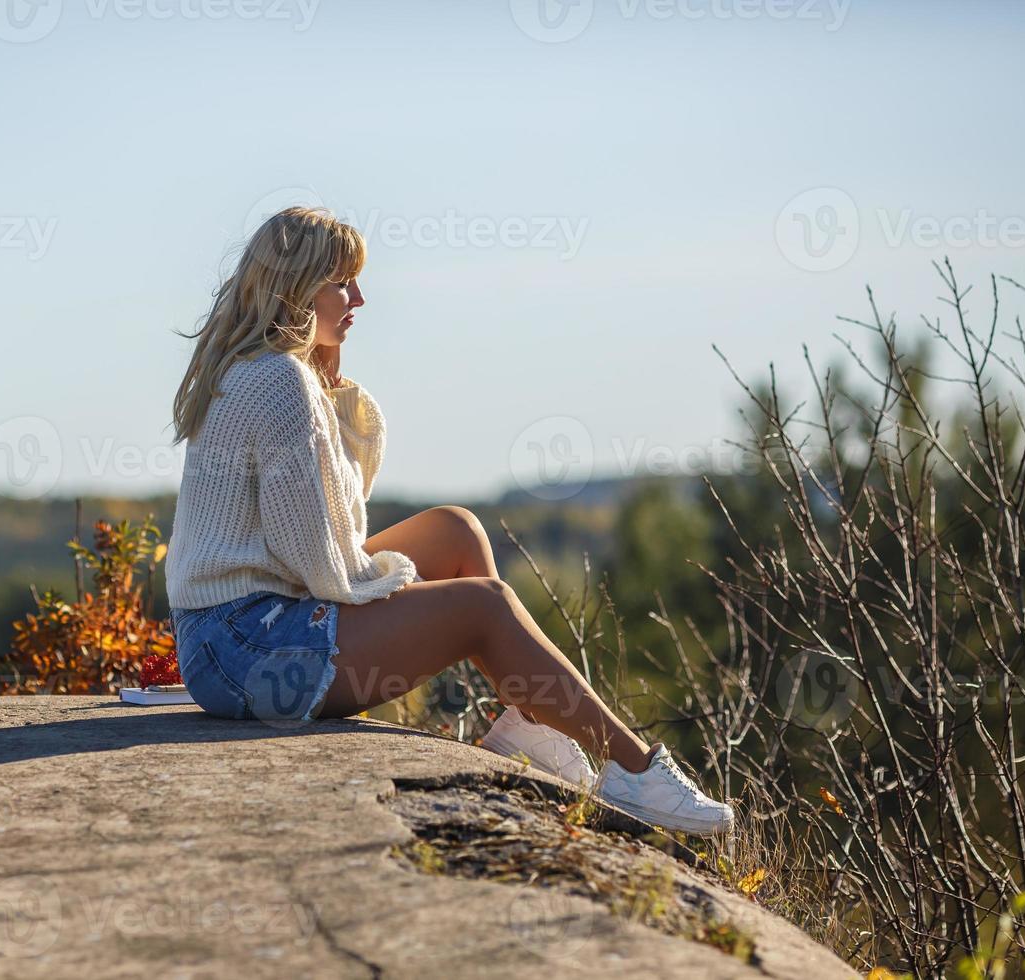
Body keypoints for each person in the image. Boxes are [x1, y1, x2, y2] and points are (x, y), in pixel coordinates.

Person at [165, 206, 732, 836]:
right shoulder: (276, 380)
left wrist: (327, 383)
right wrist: (398, 583)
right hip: (247, 649)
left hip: (234, 631)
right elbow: (322, 560)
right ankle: (634, 770)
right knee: (482, 609)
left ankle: (529, 725)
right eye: (340, 283)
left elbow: (327, 525)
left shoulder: (270, 369)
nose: (359, 297)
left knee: (454, 530)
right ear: (294, 288)